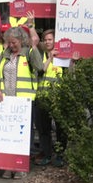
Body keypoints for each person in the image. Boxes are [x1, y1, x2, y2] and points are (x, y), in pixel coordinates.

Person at [0, 27, 43, 179]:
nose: (11, 45)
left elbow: (40, 67)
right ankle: (9, 166)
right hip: (6, 101)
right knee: (8, 135)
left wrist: (34, 47)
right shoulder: (5, 54)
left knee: (23, 136)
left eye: (14, 42)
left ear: (21, 40)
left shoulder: (28, 52)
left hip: (24, 103)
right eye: (9, 42)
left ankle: (20, 166)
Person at [34, 29, 66, 167]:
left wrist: (73, 62)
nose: (47, 42)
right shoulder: (40, 55)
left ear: (55, 41)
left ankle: (60, 155)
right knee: (43, 129)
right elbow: (40, 70)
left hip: (58, 99)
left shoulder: (63, 56)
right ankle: (47, 155)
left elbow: (70, 74)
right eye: (45, 39)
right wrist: (50, 58)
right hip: (42, 98)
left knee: (61, 129)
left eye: (50, 39)